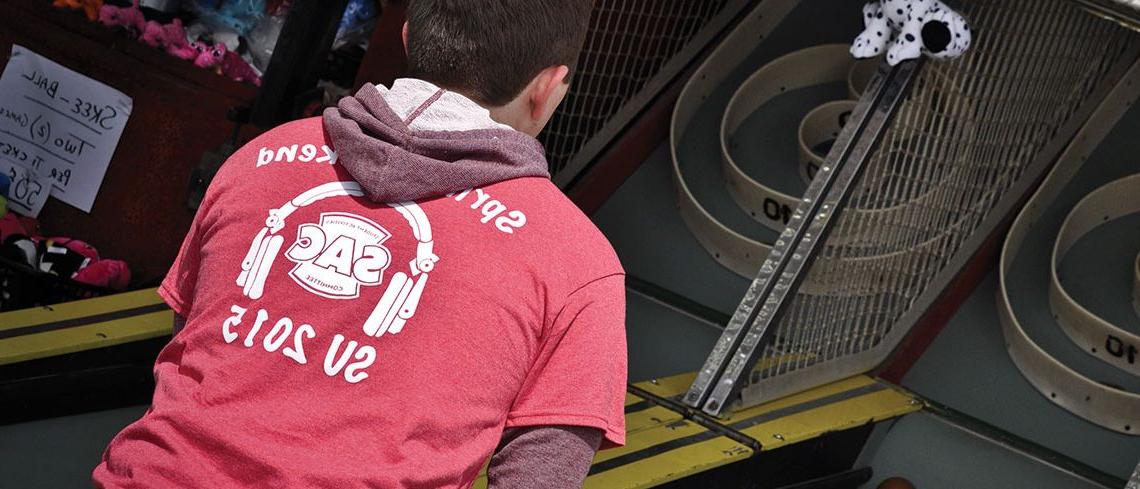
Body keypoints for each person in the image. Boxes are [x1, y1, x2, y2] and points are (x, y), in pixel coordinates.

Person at [92, 0, 627, 487]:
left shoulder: (260, 160)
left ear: (407, 33)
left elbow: (188, 350)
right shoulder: (579, 263)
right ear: (549, 87)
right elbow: (541, 472)